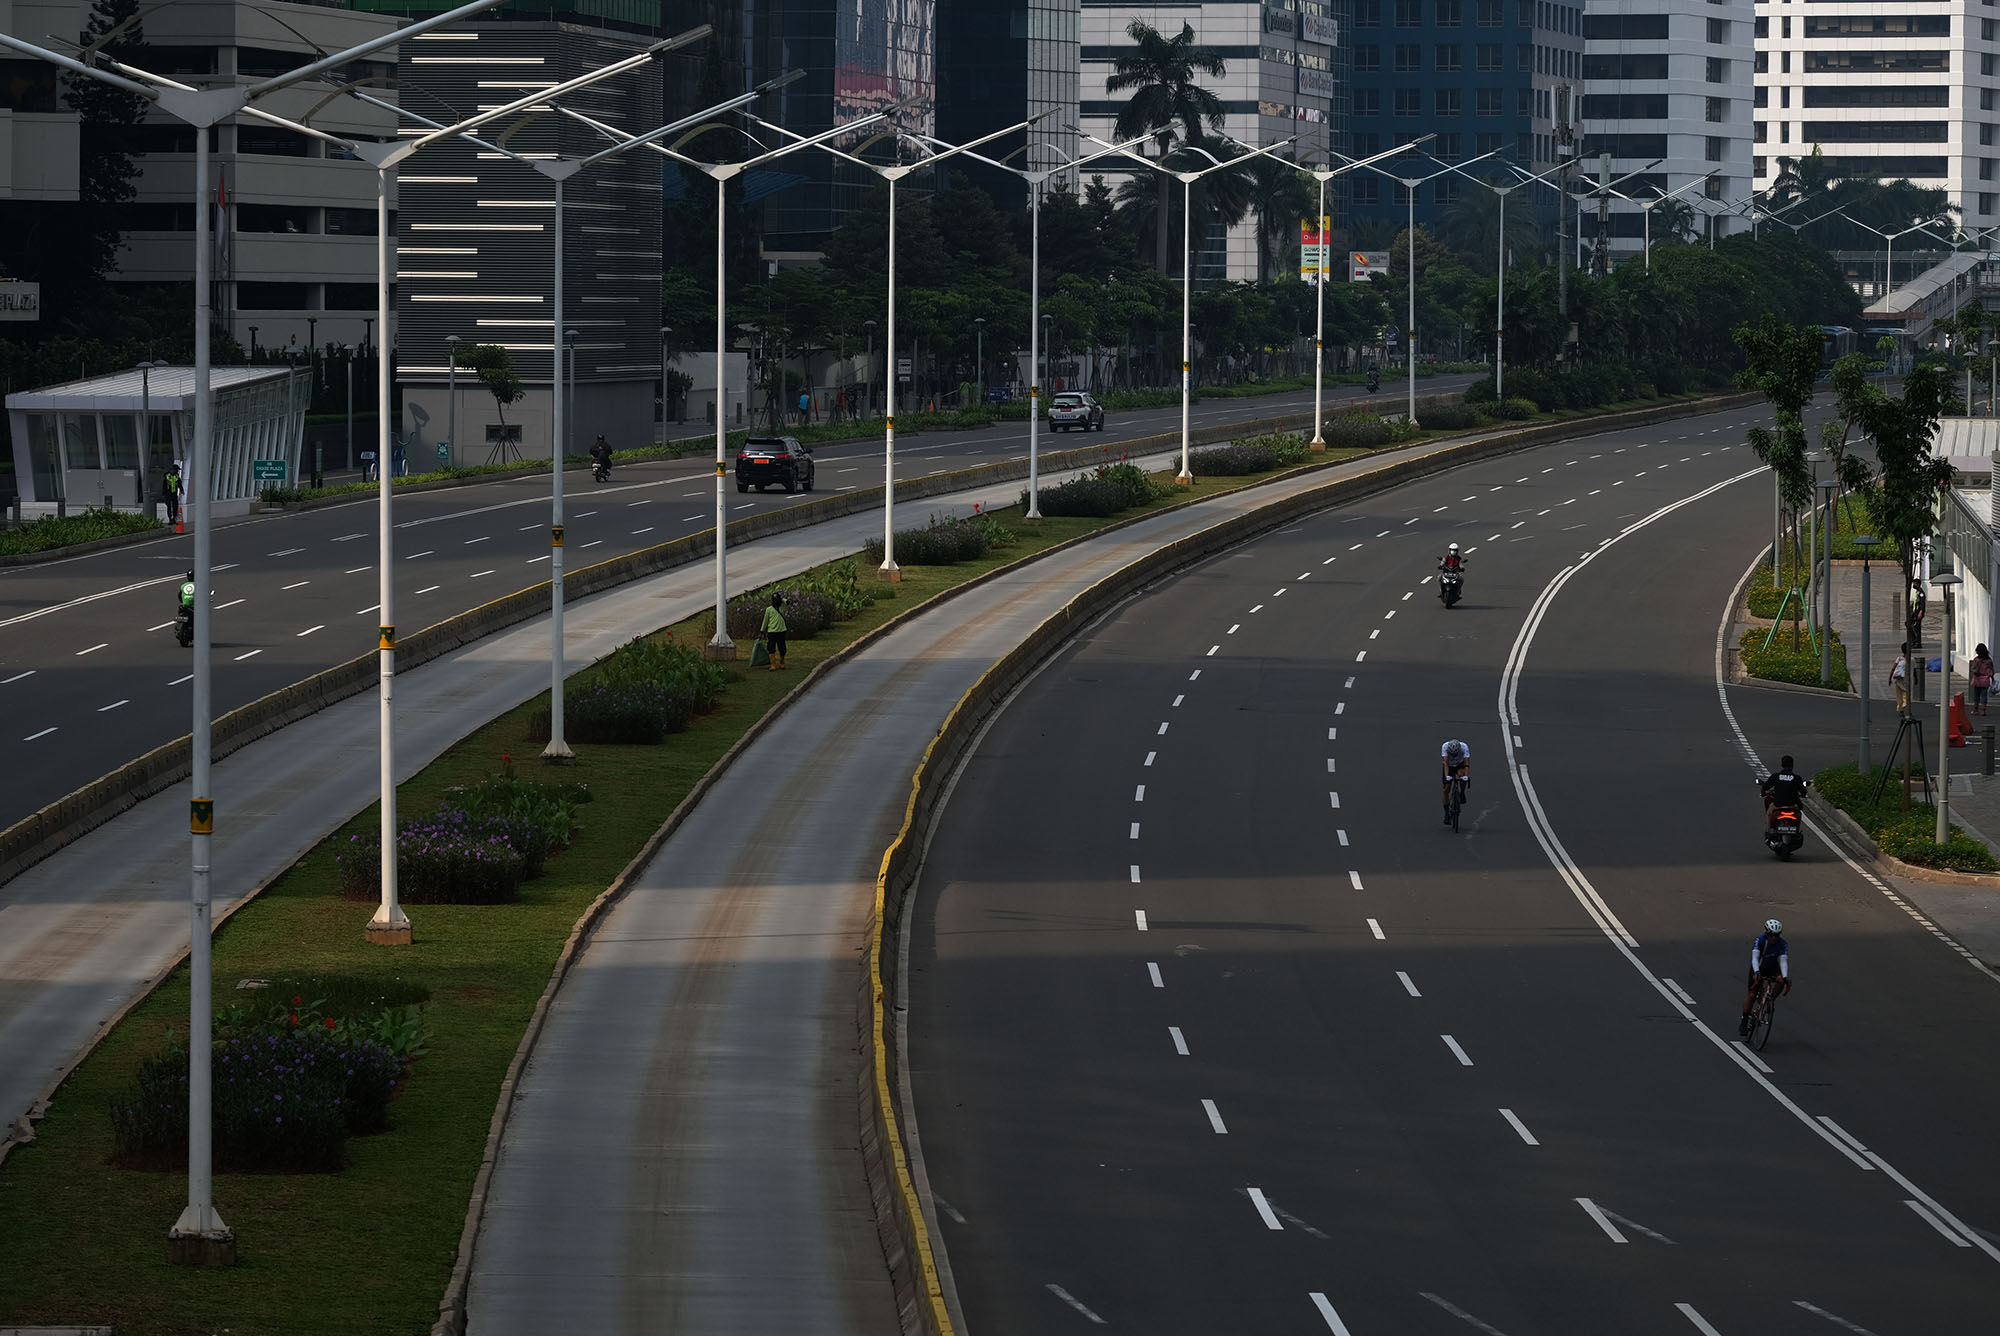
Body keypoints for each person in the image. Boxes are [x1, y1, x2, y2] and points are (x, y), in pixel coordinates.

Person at [1739, 918, 1790, 1036]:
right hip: (1759, 967)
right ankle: (1744, 1019)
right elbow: (1754, 958)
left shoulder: (1782, 944)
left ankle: (1769, 1001)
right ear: (1767, 933)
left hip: (1772, 966)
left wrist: (1785, 976)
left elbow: (1783, 961)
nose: (1774, 938)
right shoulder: (1760, 940)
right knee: (1752, 995)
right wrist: (1756, 972)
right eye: (1771, 935)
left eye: (1777, 935)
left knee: (1782, 981)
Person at [1759, 754, 1806, 829]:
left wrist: (1763, 792)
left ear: (1782, 765)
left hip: (1778, 804)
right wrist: (1803, 795)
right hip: (1792, 804)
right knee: (1799, 812)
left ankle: (1769, 832)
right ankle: (1797, 831)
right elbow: (1803, 791)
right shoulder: (1797, 778)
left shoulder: (1776, 776)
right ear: (1792, 765)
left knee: (1769, 813)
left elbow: (1765, 787)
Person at [1440, 738, 1470, 823]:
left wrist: (1466, 777)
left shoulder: (1464, 747)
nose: (1453, 755)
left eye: (1455, 754)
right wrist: (1447, 776)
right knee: (1446, 789)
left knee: (1462, 775)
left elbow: (1467, 764)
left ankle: (1462, 792)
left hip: (1459, 764)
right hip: (1449, 766)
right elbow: (1445, 763)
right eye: (1451, 754)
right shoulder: (1445, 746)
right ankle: (1446, 814)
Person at [760, 592, 789, 671]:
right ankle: (773, 665)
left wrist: (781, 599)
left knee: (782, 648)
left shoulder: (782, 607)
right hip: (772, 631)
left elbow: (788, 602)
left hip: (781, 631)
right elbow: (765, 620)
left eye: (777, 599)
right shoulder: (768, 609)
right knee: (771, 648)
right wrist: (762, 629)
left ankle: (782, 662)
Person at [1972, 643, 1995, 716]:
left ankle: (1976, 709)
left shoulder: (1976, 660)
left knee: (1976, 695)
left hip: (1977, 680)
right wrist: (1992, 679)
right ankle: (1983, 710)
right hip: (1986, 680)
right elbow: (1991, 670)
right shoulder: (1989, 660)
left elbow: (1973, 669)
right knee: (1984, 696)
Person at [1891, 642, 1910, 717]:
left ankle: (1901, 709)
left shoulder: (1899, 658)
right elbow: (1914, 670)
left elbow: (1893, 668)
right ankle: (1905, 707)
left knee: (1899, 695)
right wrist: (1916, 678)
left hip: (1898, 680)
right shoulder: (1911, 659)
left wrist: (1890, 678)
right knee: (1905, 694)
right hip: (1906, 680)